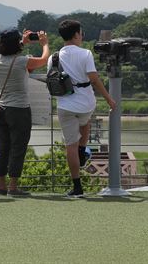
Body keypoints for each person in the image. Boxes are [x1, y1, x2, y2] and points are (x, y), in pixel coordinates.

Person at [52, 19, 116, 198]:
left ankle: (77, 187)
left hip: (65, 104)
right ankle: (82, 149)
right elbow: (94, 79)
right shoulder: (85, 54)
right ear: (76, 35)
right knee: (85, 121)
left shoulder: (54, 57)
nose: (82, 36)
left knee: (69, 145)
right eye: (81, 33)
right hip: (86, 103)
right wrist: (109, 99)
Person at [0, 28, 50, 196]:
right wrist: (44, 43)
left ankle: (1, 186)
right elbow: (44, 60)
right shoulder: (22, 61)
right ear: (15, 44)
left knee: (3, 149)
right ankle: (13, 187)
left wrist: (23, 42)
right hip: (19, 111)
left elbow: (12, 54)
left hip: (1, 108)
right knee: (18, 148)